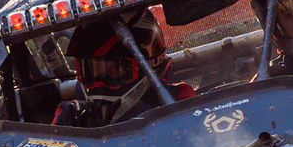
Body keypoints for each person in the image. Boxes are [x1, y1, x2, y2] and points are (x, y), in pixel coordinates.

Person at [52, 11, 191, 126]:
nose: (98, 83)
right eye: (90, 70)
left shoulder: (178, 99)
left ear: (148, 64)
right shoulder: (71, 116)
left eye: (112, 69)